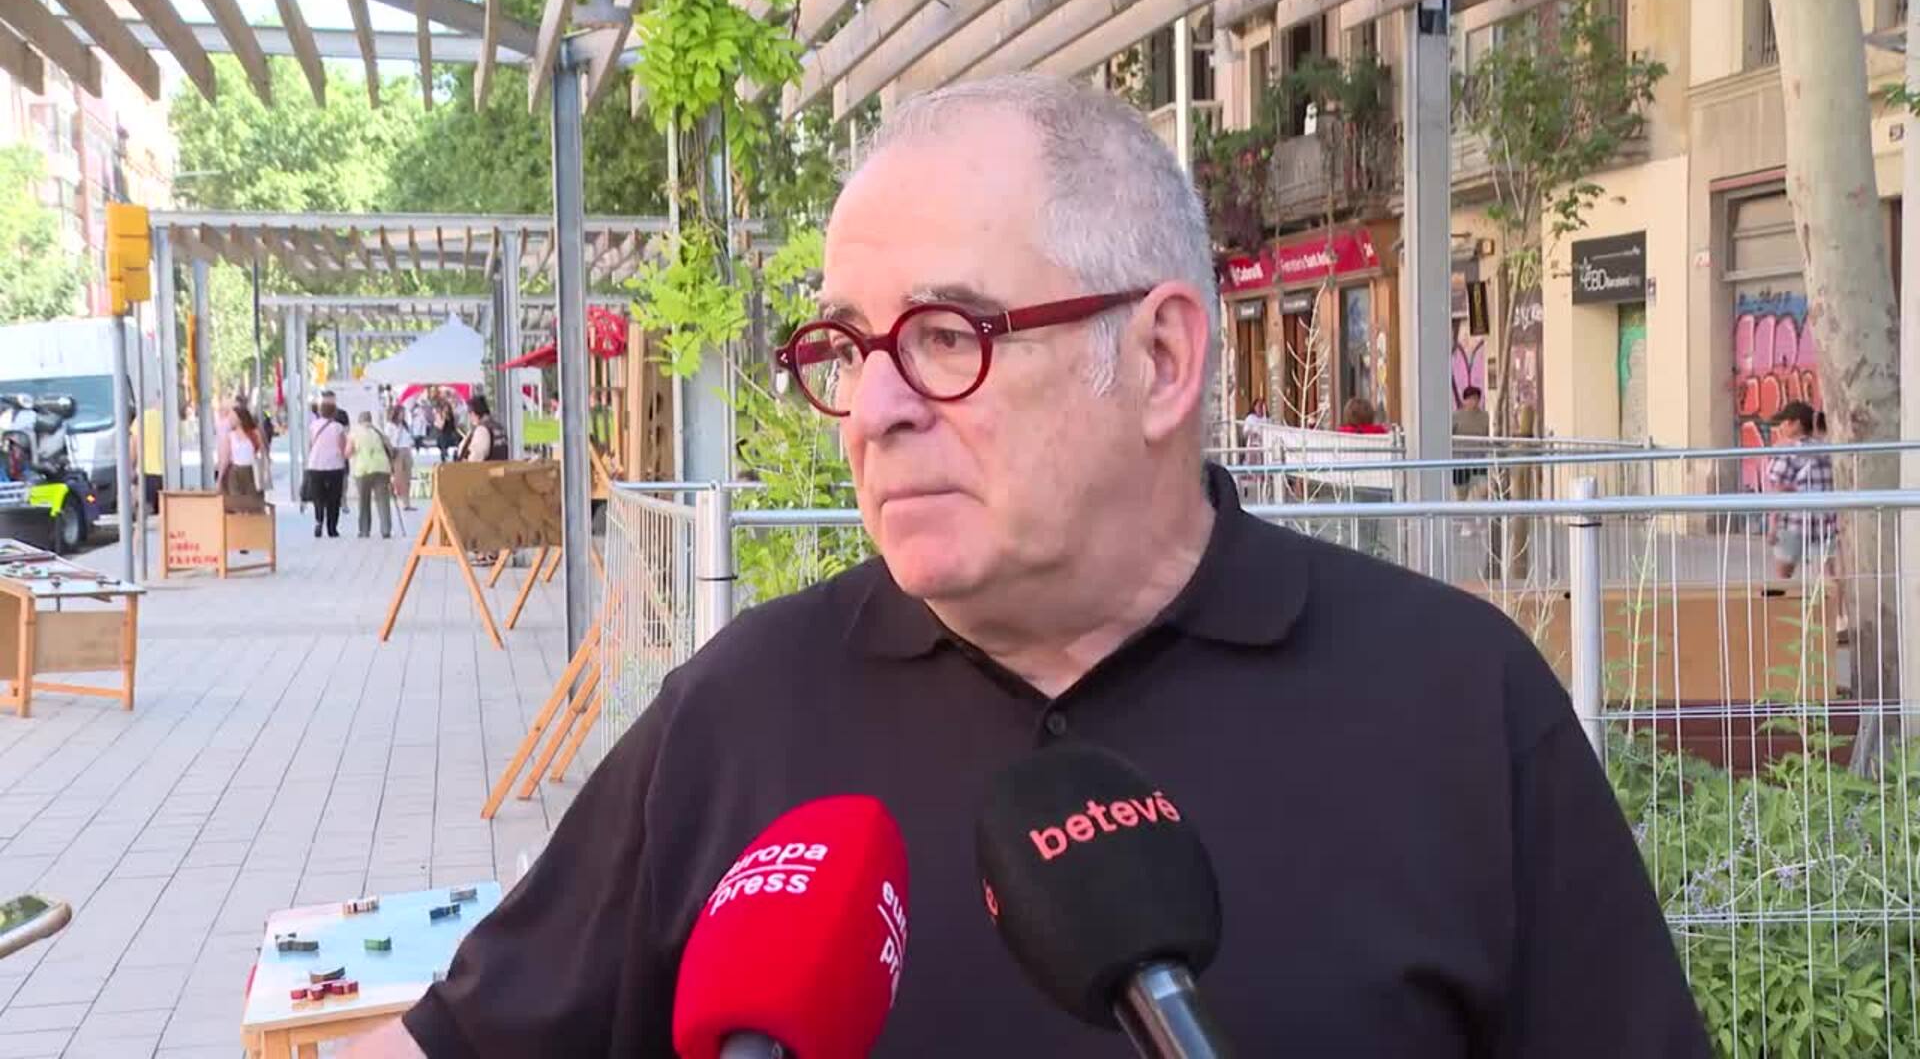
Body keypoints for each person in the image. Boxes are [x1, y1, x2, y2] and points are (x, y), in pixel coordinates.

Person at [348, 74, 1706, 1058]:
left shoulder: (1454, 703)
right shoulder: (740, 711)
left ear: (1161, 358)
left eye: (946, 337)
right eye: (846, 349)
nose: (875, 409)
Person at [1766, 401, 1846, 631]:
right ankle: (1836, 619)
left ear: (1796, 424)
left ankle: (1779, 619)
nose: (1781, 427)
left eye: (1784, 422)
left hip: (1793, 521)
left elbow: (1778, 489)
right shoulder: (1826, 450)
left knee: (1783, 573)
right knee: (1828, 572)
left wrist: (1772, 525)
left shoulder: (1787, 451)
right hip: (1824, 520)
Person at [306, 390, 348, 538]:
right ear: (334, 412)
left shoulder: (313, 426)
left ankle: (318, 520)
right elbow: (343, 447)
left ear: (320, 411)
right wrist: (345, 459)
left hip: (315, 465)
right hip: (334, 466)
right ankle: (332, 528)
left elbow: (311, 444)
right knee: (334, 498)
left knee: (318, 497)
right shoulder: (338, 427)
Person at [348, 411, 393, 539]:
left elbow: (348, 451)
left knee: (364, 501)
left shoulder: (355, 433)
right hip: (382, 468)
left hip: (363, 469)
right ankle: (386, 529)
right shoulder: (379, 433)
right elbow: (390, 449)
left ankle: (364, 530)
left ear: (359, 421)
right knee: (383, 500)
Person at [217, 404, 266, 514]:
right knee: (237, 503)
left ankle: (253, 522)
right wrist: (220, 478)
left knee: (253, 502)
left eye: (232, 417)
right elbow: (225, 459)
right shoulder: (230, 435)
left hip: (251, 471)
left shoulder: (254, 433)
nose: (230, 420)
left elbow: (262, 452)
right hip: (235, 472)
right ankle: (240, 521)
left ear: (239, 418)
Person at [1451, 386, 1491, 503]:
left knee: (1483, 489)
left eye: (1476, 399)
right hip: (1460, 460)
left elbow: (1488, 434)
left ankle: (1481, 512)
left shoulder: (1485, 416)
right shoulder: (1456, 416)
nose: (1473, 402)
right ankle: (1461, 512)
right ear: (1465, 400)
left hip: (1479, 459)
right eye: (1470, 398)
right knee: (1462, 492)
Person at [454, 394, 507, 463]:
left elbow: (476, 458)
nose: (470, 418)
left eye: (470, 413)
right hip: (501, 467)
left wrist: (466, 461)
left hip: (488, 469)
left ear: (473, 413)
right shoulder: (498, 427)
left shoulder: (482, 430)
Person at [385, 405, 416, 512]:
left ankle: (407, 503)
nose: (402, 415)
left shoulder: (405, 425)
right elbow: (388, 440)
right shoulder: (390, 425)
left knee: (407, 478)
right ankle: (400, 498)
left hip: (406, 450)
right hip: (396, 451)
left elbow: (409, 438)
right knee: (399, 478)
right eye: (401, 413)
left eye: (403, 413)